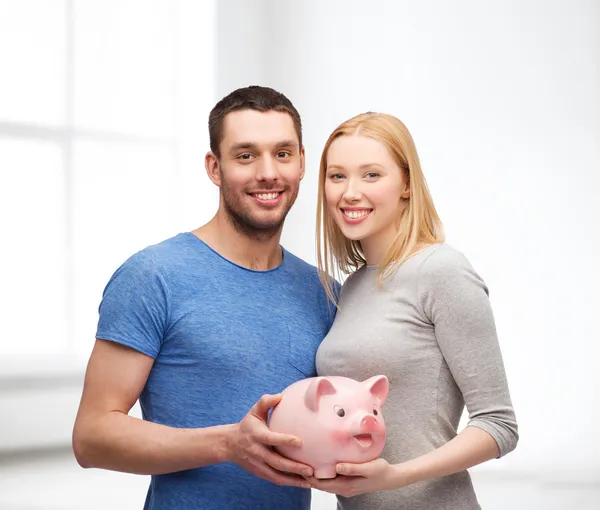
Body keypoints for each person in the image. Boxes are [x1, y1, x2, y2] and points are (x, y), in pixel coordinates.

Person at [72, 85, 337, 510]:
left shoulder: (323, 292)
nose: (268, 172)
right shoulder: (154, 275)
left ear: (302, 162)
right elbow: (92, 437)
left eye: (283, 153)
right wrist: (229, 443)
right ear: (215, 168)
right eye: (246, 155)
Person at [308, 112, 519, 509]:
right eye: (337, 176)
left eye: (371, 175)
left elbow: (499, 425)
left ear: (406, 184)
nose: (350, 192)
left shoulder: (442, 271)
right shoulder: (350, 288)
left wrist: (395, 476)